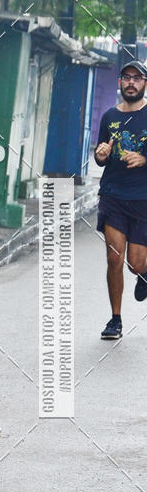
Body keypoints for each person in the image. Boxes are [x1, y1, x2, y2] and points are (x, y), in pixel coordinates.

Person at [95, 60, 147, 339]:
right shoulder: (109, 116)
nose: (131, 82)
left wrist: (145, 159)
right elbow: (102, 154)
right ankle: (115, 319)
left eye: (137, 78)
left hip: (143, 199)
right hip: (113, 195)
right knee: (114, 258)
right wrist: (100, 156)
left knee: (135, 264)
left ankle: (144, 272)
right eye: (126, 77)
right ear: (119, 82)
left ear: (145, 84)